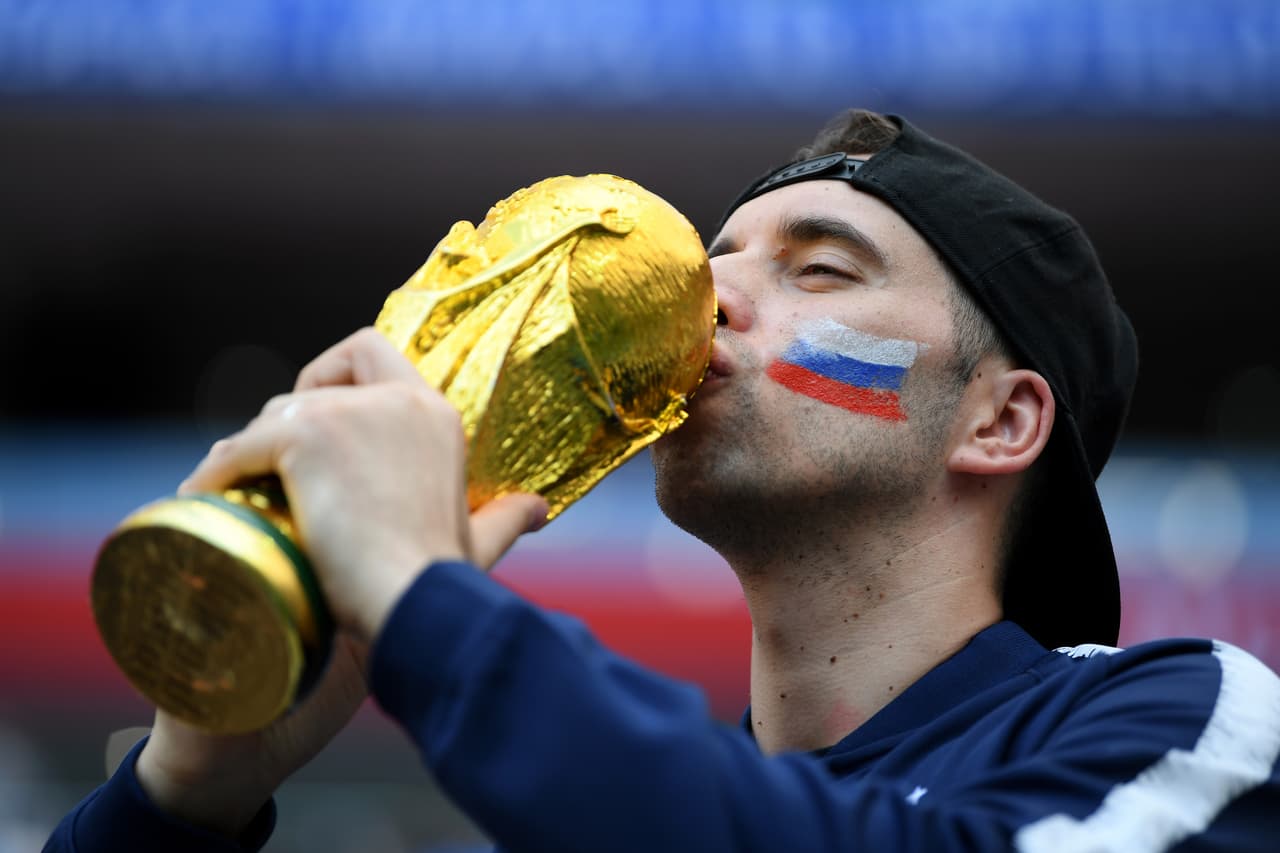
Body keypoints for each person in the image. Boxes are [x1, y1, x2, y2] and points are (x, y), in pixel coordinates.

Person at [46, 110, 1280, 852]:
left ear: (998, 420)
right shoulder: (612, 805)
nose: (702, 299)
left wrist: (429, 604)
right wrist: (187, 801)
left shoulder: (1183, 718)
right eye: (713, 254)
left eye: (823, 271)